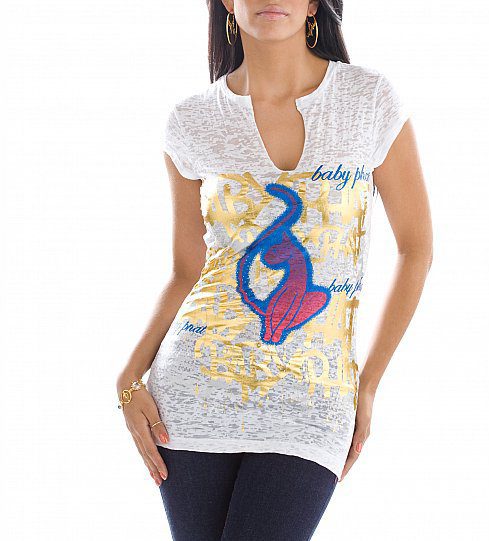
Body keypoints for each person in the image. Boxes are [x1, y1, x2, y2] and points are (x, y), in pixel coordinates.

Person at [116, 1, 433, 539]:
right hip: (193, 394)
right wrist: (128, 379)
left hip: (313, 399)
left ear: (313, 4)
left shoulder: (368, 100)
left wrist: (369, 383)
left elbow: (416, 249)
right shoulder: (192, 121)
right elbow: (188, 271)